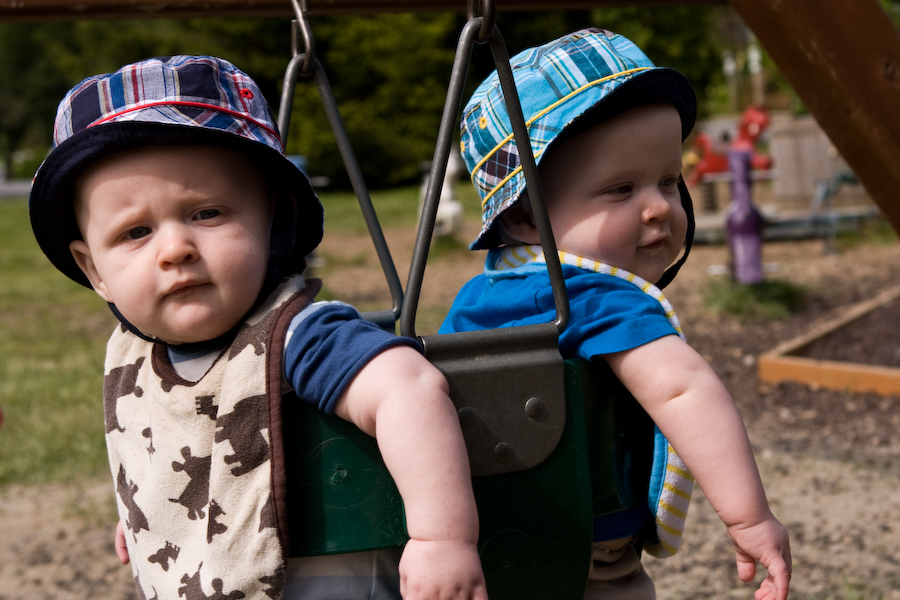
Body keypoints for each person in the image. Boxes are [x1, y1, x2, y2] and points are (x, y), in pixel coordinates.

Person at [29, 55, 486, 600]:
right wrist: (147, 511)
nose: (175, 249)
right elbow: (160, 443)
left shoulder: (296, 337)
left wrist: (441, 538)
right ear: (93, 269)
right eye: (135, 232)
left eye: (207, 214)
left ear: (274, 221)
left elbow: (410, 391)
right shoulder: (131, 358)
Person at [441, 28, 791, 600]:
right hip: (589, 550)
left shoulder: (478, 299)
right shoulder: (598, 298)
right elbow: (682, 390)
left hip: (491, 539)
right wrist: (749, 517)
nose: (658, 207)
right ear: (528, 215)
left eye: (669, 181)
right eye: (621, 188)